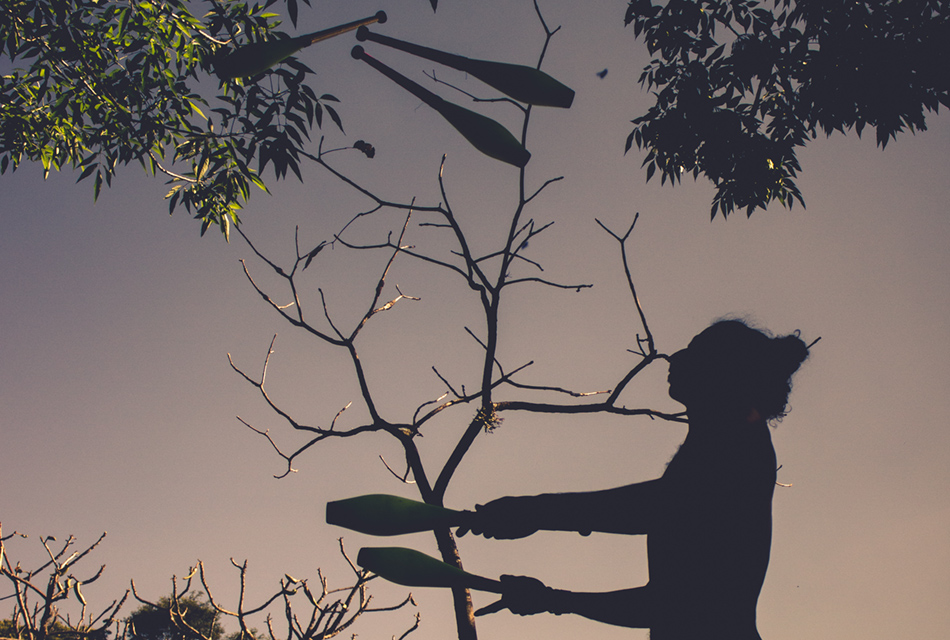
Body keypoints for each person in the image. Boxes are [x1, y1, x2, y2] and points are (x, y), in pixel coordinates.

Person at [457, 320, 810, 639]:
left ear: (724, 371)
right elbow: (668, 603)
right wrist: (550, 597)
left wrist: (535, 513)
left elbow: (658, 509)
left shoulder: (740, 440)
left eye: (695, 350)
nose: (676, 356)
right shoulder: (725, 447)